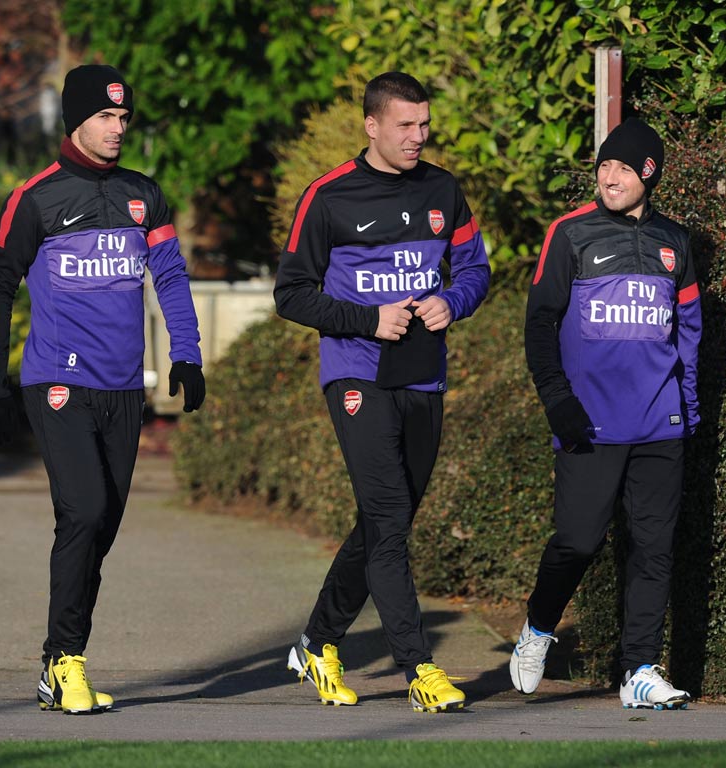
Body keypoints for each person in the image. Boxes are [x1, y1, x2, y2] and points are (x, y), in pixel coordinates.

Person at [0, 64, 205, 714]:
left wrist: (186, 355)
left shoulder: (144, 195)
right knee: (82, 510)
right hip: (57, 379)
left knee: (99, 526)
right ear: (75, 120)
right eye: (106, 117)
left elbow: (170, 274)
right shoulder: (36, 198)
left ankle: (56, 660)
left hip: (123, 388)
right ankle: (69, 661)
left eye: (124, 118)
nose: (118, 129)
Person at [274, 71, 490, 712]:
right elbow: (291, 293)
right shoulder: (329, 197)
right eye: (405, 125)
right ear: (372, 125)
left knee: (384, 521)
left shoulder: (443, 190)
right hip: (356, 373)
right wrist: (367, 319)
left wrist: (454, 301)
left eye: (424, 125)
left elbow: (475, 268)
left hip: (423, 375)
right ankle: (419, 669)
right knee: (390, 519)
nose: (418, 137)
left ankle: (316, 643)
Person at [512, 117, 701, 710]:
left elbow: (688, 331)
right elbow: (539, 324)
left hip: (659, 423)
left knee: (654, 546)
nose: (609, 176)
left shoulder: (677, 243)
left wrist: (687, 408)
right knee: (577, 539)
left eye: (623, 167)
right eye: (604, 165)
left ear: (649, 174)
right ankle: (538, 627)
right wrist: (557, 401)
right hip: (587, 423)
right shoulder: (570, 234)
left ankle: (638, 669)